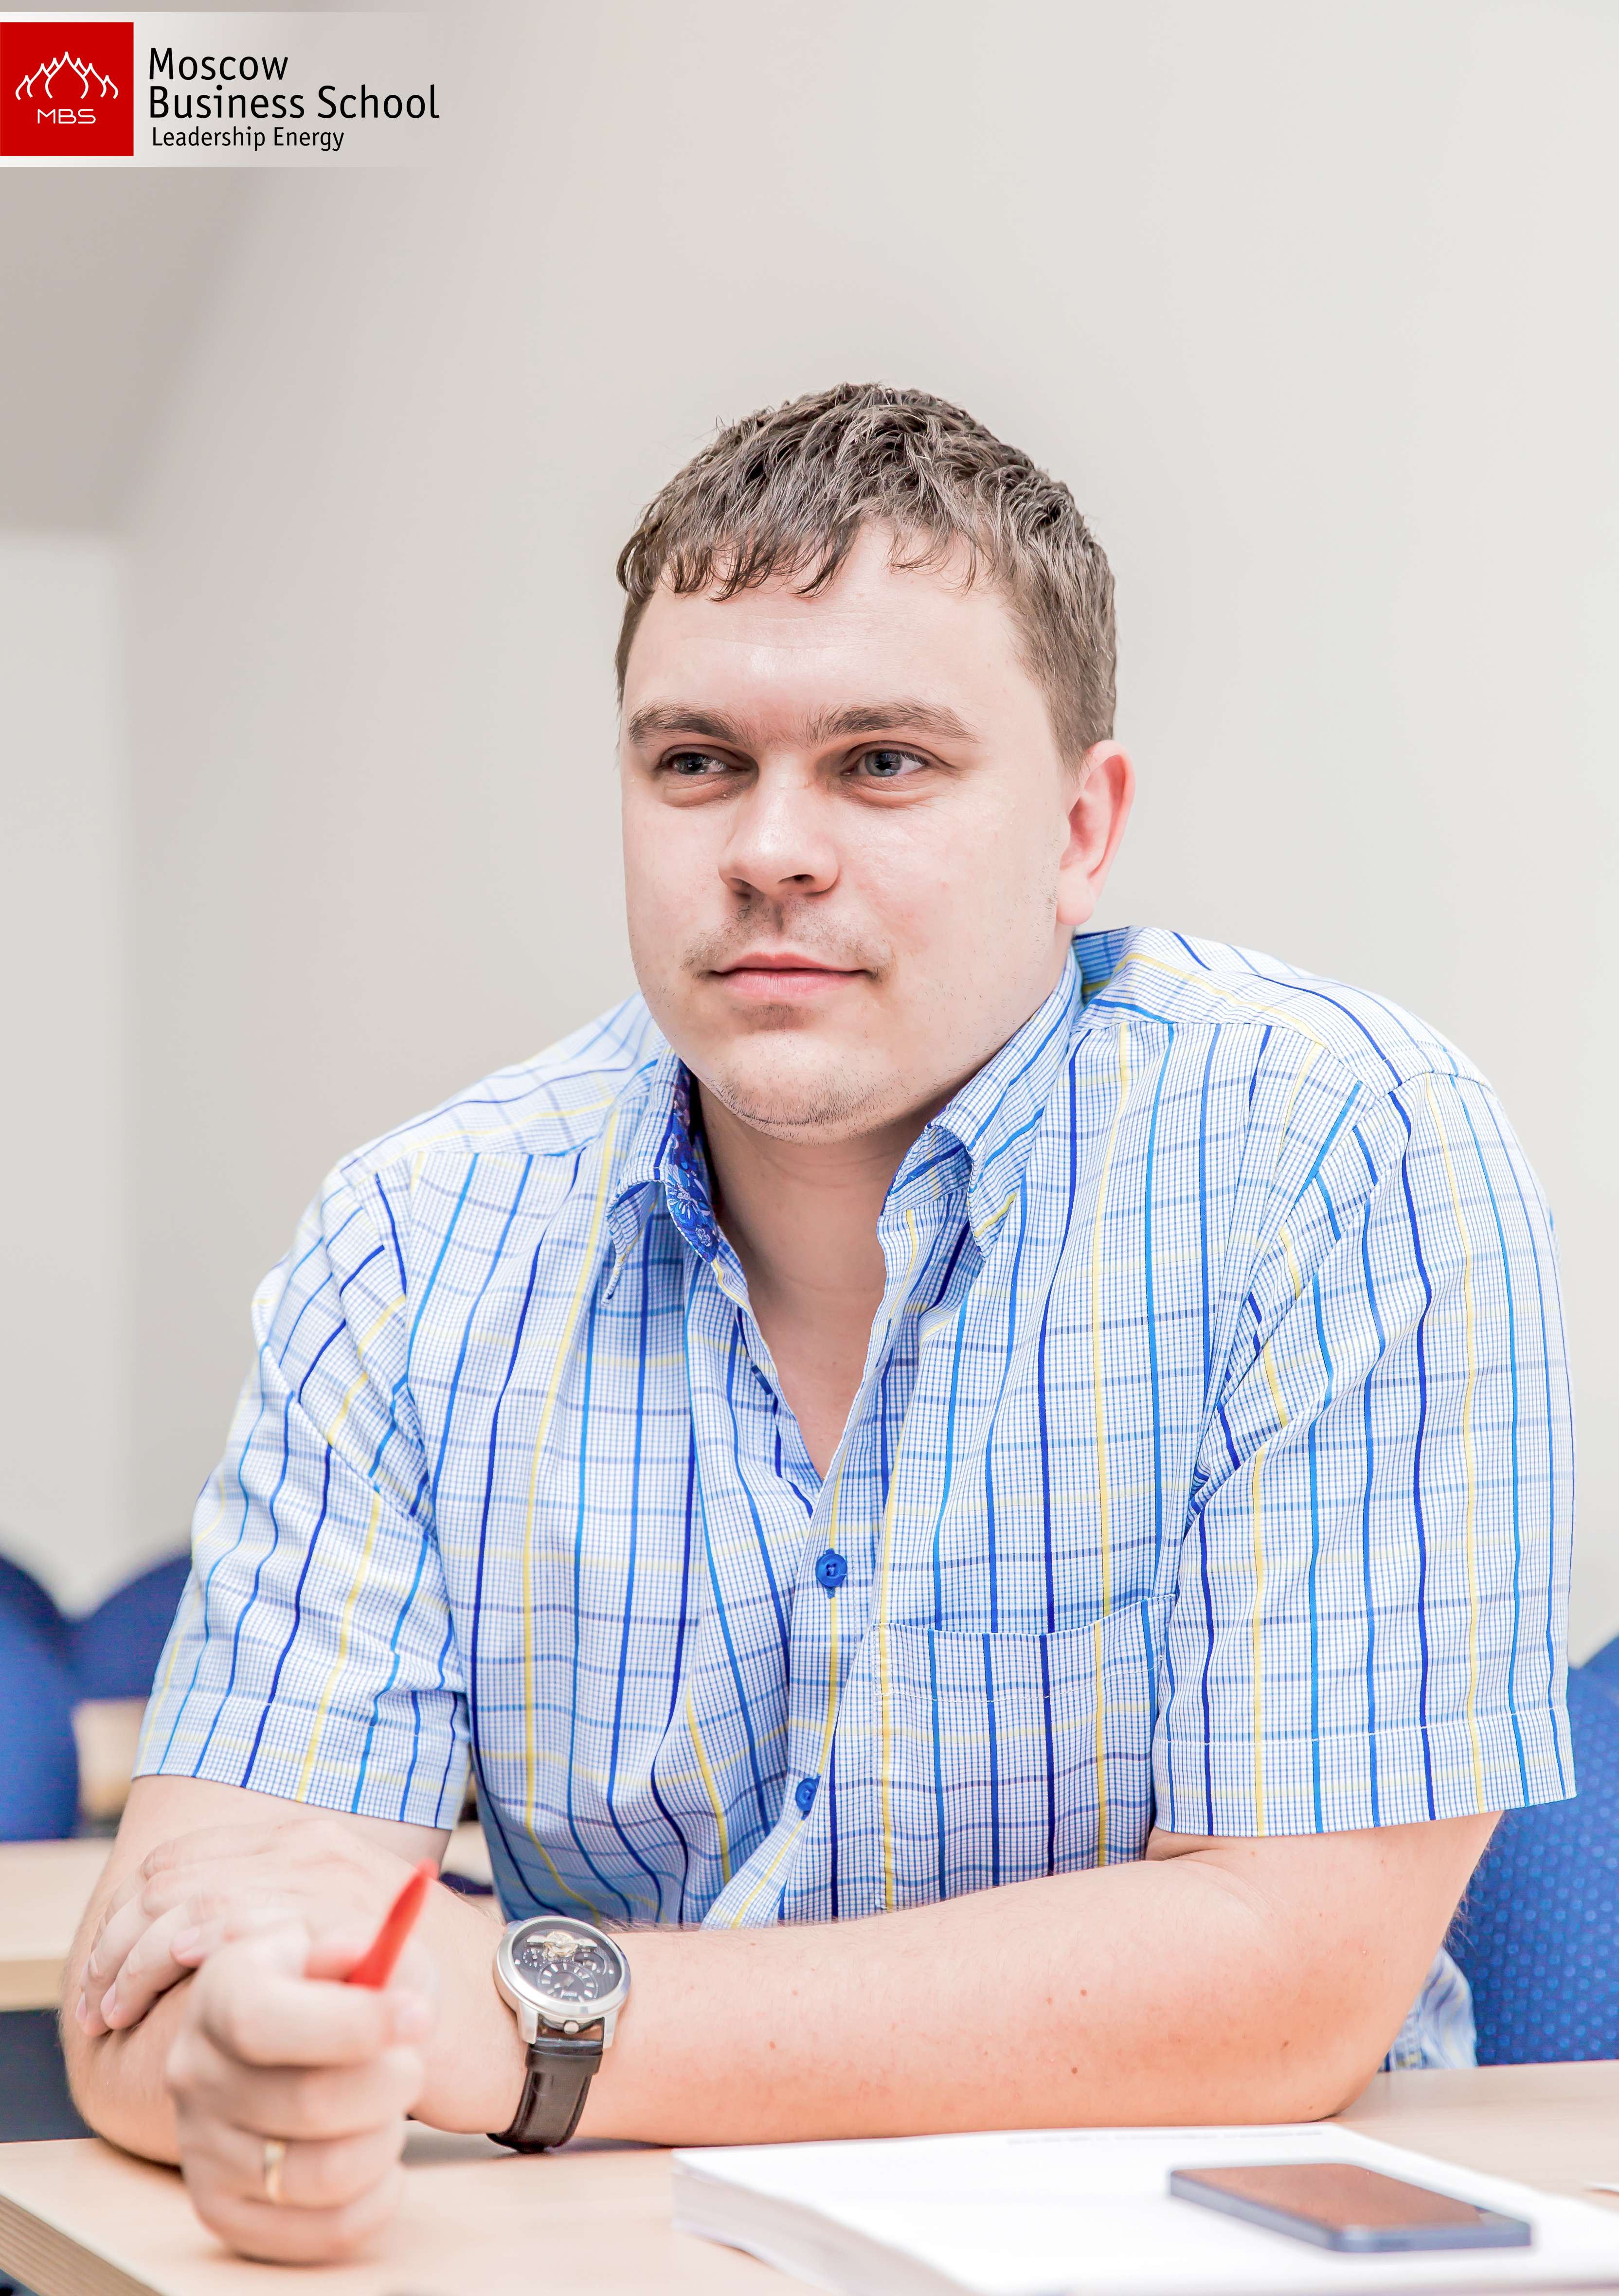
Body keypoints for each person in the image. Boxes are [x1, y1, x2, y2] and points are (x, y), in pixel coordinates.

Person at [64, 384, 1571, 2263]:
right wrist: (248, 2061)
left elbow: (1293, 1983)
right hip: (623, 2257)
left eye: (883, 763)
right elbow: (153, 1978)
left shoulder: (1341, 1153)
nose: (771, 849)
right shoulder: (413, 1242)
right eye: (698, 762)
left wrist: (528, 2018)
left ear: (1082, 828)